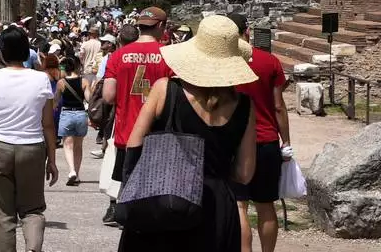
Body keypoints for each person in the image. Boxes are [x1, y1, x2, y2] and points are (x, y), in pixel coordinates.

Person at [117, 15, 256, 252]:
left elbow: (134, 143)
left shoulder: (165, 89)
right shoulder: (244, 105)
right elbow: (244, 173)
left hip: (165, 196)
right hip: (216, 206)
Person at [0, 27, 58, 252]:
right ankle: (32, 248)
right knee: (32, 209)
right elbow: (48, 124)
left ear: (1, 51)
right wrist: (52, 159)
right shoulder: (41, 79)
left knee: (3, 214)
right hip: (32, 147)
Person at [101, 6, 174, 228]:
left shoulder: (117, 56)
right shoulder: (169, 55)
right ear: (160, 26)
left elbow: (108, 96)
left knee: (127, 184)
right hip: (158, 132)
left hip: (127, 132)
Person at [224, 14, 291, 252]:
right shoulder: (269, 61)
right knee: (266, 205)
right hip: (266, 140)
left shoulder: (224, 62)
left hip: (234, 141)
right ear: (248, 31)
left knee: (240, 205)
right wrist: (286, 142)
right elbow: (279, 106)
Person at [54, 57, 88, 186]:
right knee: (78, 146)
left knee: (68, 145)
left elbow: (56, 100)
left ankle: (72, 171)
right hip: (80, 114)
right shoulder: (84, 81)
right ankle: (77, 174)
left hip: (67, 114)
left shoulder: (61, 83)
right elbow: (89, 99)